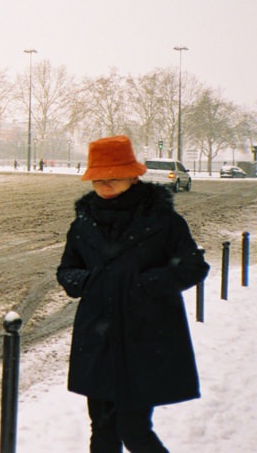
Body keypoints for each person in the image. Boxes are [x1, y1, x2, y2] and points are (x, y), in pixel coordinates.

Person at [57, 135, 209, 453]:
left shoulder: (163, 221)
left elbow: (194, 267)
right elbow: (67, 271)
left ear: (133, 174)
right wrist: (89, 282)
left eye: (113, 176)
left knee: (134, 428)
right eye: (98, 178)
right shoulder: (83, 223)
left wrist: (148, 284)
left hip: (145, 337)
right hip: (99, 339)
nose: (105, 184)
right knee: (102, 430)